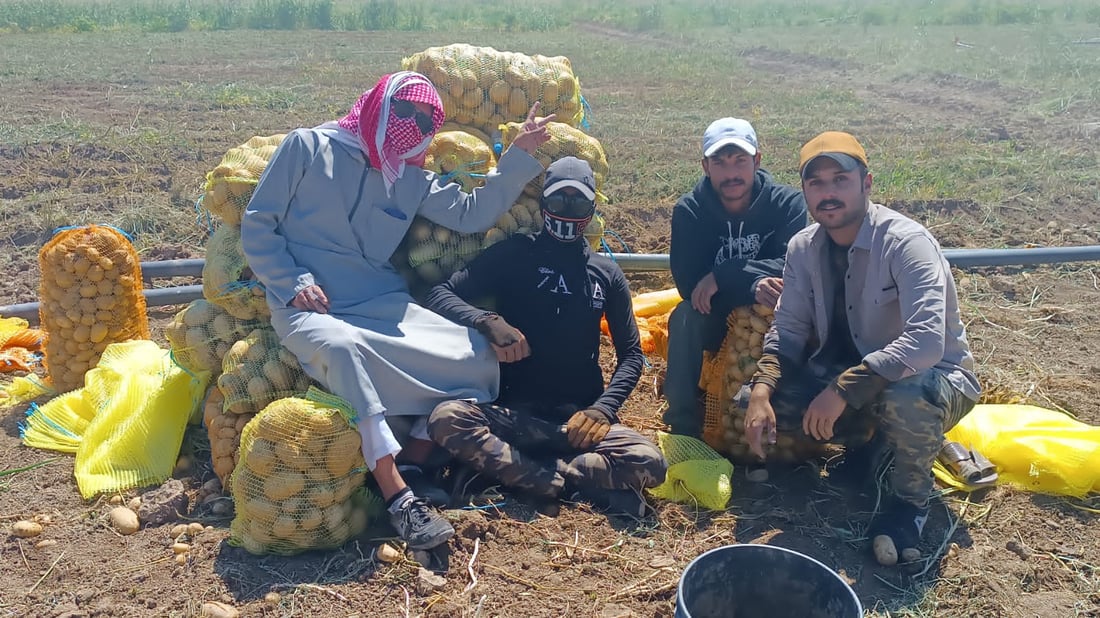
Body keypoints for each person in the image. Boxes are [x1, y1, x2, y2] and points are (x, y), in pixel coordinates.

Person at [240, 71, 553, 550]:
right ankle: (398, 494)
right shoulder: (306, 147)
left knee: (476, 353)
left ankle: (417, 455)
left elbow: (471, 214)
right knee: (343, 350)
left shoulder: (408, 177)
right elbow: (259, 226)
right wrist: (292, 281)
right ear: (377, 106)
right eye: (404, 111)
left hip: (382, 305)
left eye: (426, 120)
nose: (413, 125)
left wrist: (520, 154)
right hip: (309, 306)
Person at [742, 131, 980, 565]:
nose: (828, 193)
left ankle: (911, 505)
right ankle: (871, 447)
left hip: (933, 378)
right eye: (816, 183)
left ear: (866, 184)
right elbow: (790, 327)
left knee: (907, 398)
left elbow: (926, 340)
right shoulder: (803, 248)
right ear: (805, 191)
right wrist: (761, 389)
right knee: (757, 405)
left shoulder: (906, 243)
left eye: (840, 180)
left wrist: (841, 391)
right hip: (851, 379)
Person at [423, 157, 668, 518]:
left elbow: (631, 355)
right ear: (543, 205)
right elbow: (439, 293)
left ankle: (533, 477)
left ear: (592, 209)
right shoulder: (515, 254)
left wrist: (603, 409)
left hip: (577, 423)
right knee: (447, 418)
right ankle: (568, 481)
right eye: (558, 202)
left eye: (578, 203)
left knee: (649, 462)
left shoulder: (605, 274)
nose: (568, 212)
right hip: (514, 416)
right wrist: (487, 320)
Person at [663, 117, 807, 437]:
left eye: (740, 160)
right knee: (684, 316)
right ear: (705, 166)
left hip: (771, 311)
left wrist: (724, 275)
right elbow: (690, 286)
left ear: (757, 160)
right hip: (715, 315)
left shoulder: (787, 203)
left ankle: (795, 422)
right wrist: (753, 283)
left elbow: (793, 265)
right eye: (720, 162)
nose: (731, 173)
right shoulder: (689, 210)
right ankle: (682, 424)